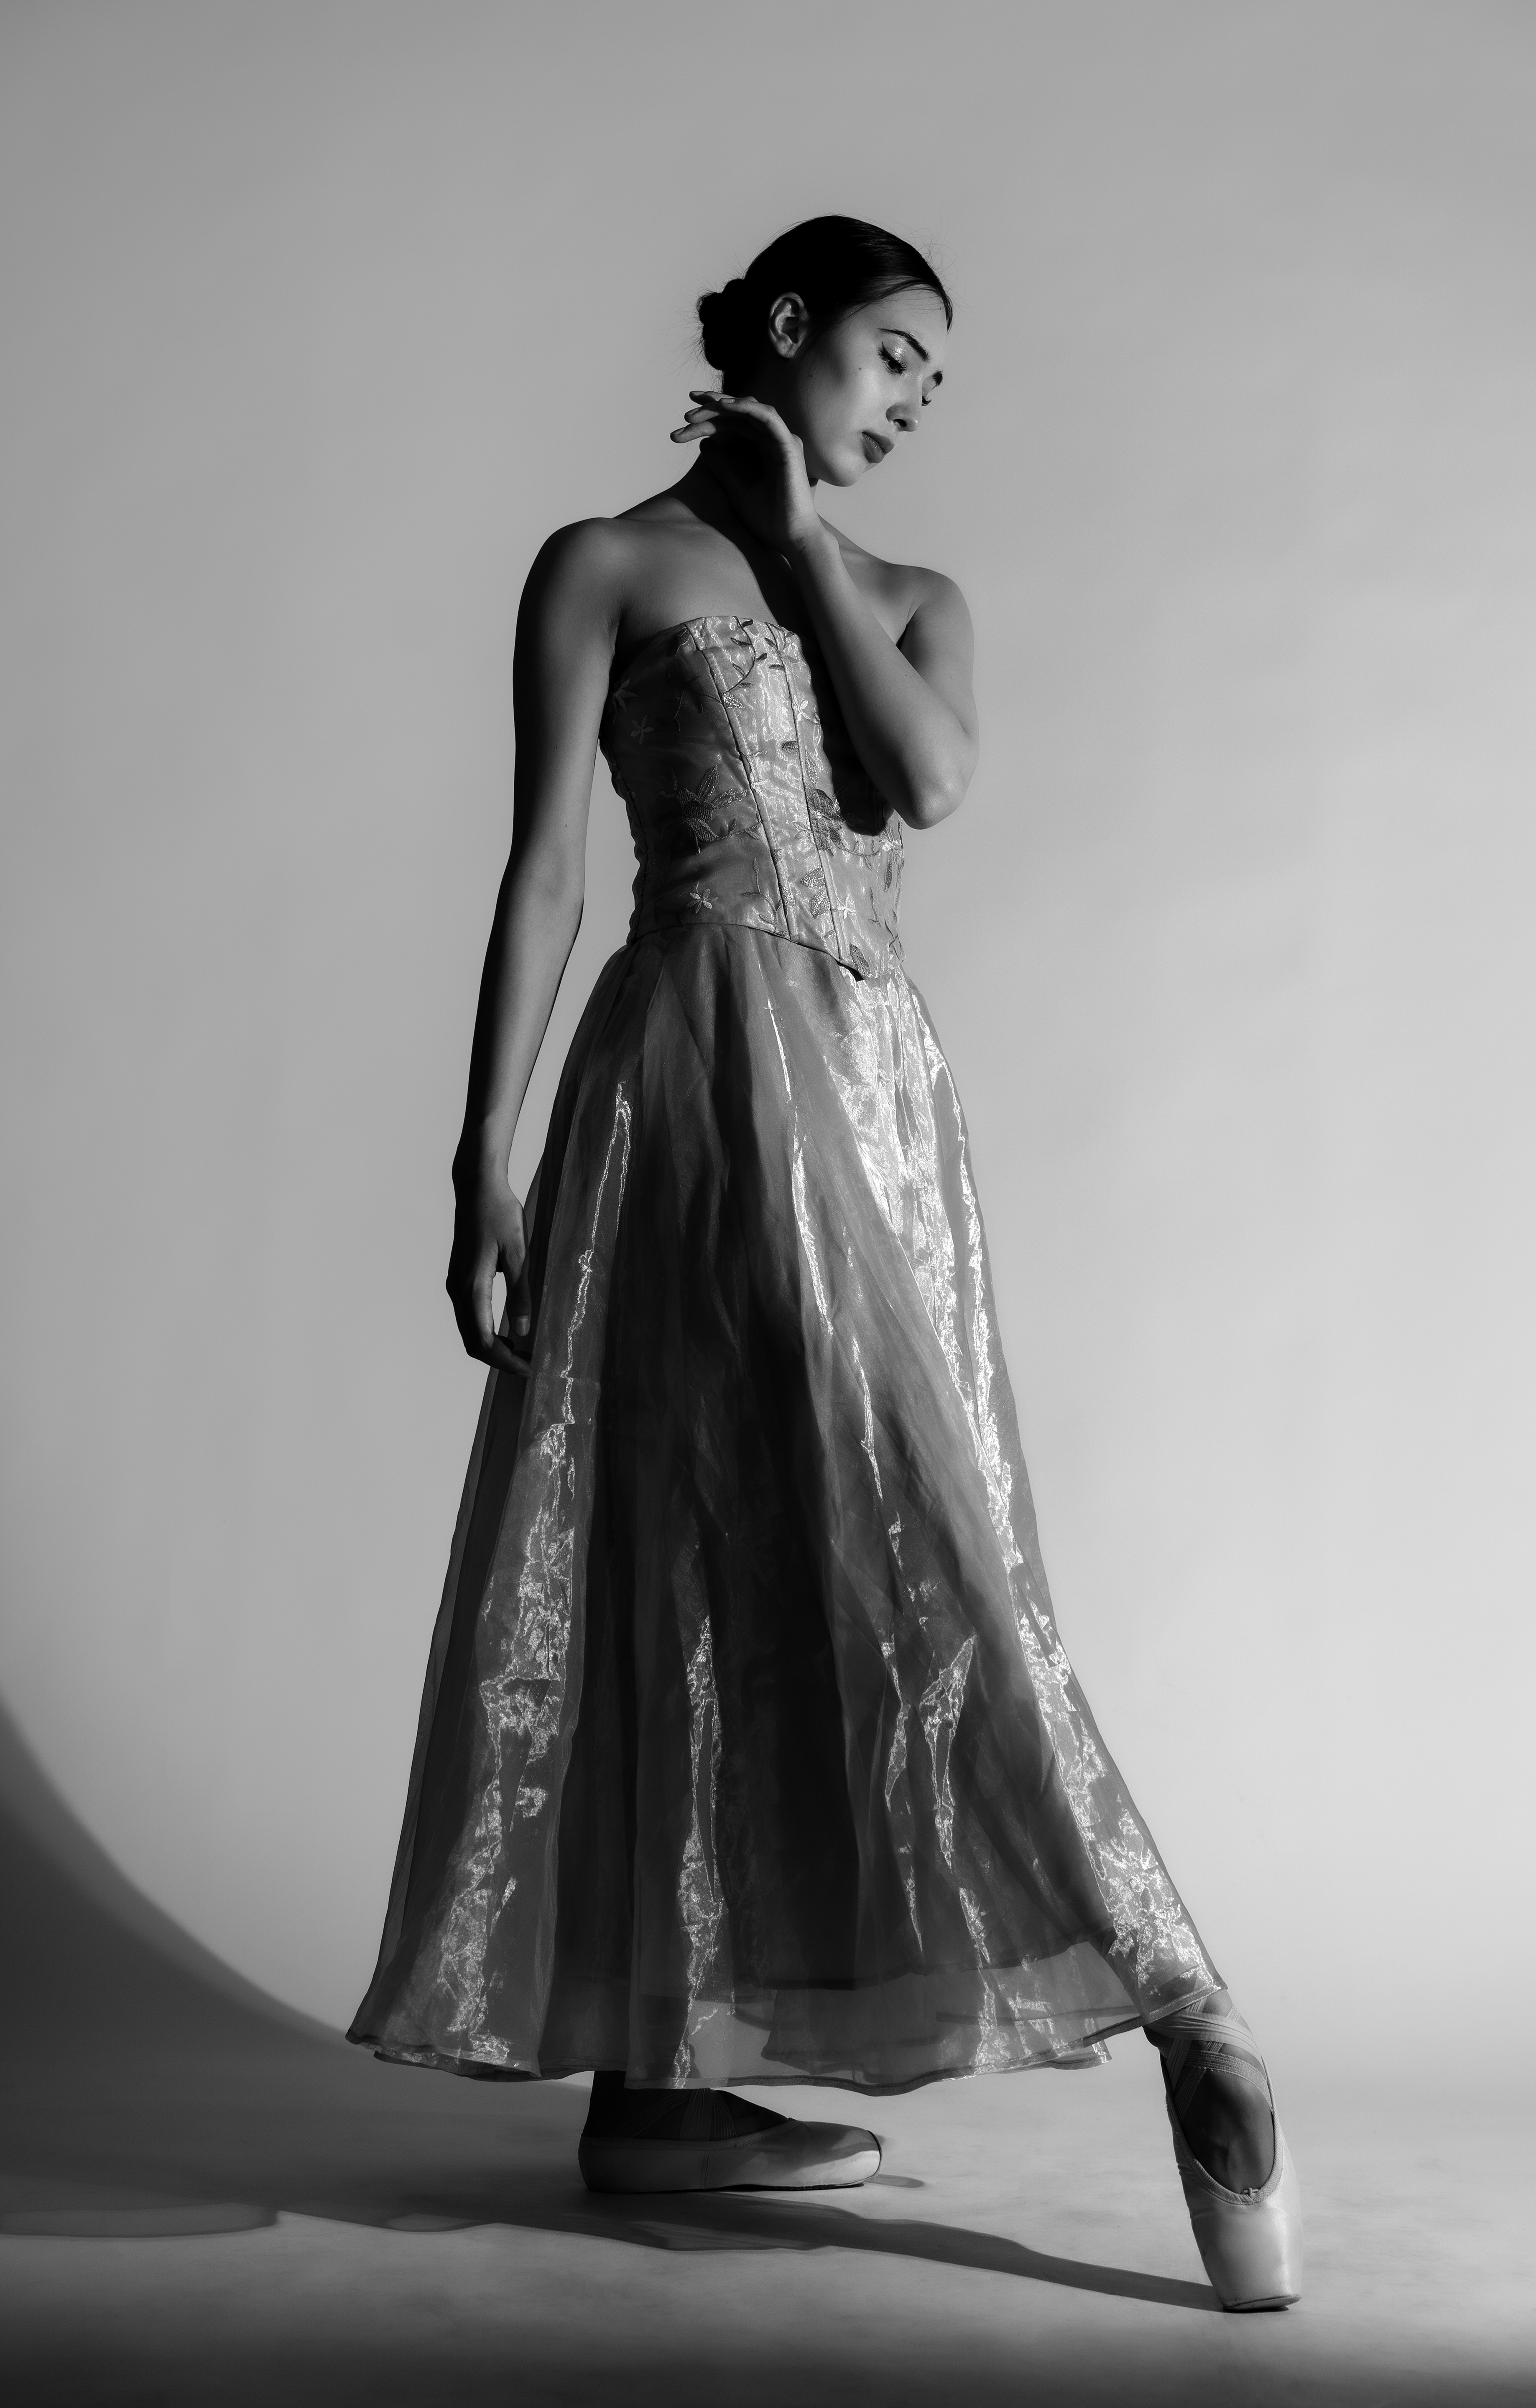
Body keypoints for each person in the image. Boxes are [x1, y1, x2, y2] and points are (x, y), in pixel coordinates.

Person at [348, 216, 1301, 2312]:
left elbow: (925, 782)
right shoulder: (601, 565)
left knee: (913, 1541)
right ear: (792, 328)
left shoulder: (910, 595)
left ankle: (1162, 1989)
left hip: (869, 1105)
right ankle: (676, 2090)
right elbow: (545, 873)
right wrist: (483, 1159)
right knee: (679, 1541)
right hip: (686, 1084)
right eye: (894, 355)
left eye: (935, 383)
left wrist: (800, 543)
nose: (914, 402)